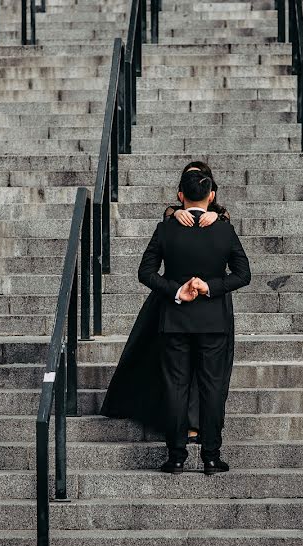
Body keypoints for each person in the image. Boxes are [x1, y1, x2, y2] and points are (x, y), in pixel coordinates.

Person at [100, 163, 234, 445]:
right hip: (173, 299)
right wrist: (176, 213)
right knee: (167, 363)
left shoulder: (221, 219)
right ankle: (180, 423)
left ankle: (194, 425)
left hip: (208, 302)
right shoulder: (171, 219)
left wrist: (214, 216)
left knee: (202, 370)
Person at [138, 168, 251, 475]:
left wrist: (176, 290)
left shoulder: (166, 229)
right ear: (211, 195)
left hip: (174, 320)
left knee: (176, 388)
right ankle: (211, 457)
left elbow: (145, 273)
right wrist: (211, 287)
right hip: (213, 321)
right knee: (212, 389)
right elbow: (244, 275)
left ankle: (176, 457)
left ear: (180, 195)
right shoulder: (225, 230)